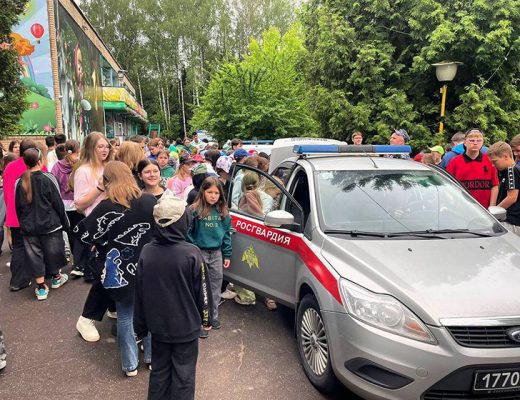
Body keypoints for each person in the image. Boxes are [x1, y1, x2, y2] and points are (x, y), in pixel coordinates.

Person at [75, 161, 156, 376]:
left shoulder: (107, 206)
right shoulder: (149, 201)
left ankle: (130, 365)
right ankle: (152, 358)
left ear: (107, 181)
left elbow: (83, 234)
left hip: (118, 268)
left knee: (125, 315)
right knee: (149, 313)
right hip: (148, 266)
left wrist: (101, 241)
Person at [134, 192, 211, 399]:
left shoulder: (147, 252)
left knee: (159, 372)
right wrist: (207, 319)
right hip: (186, 326)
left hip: (158, 327)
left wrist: (139, 325)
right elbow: (203, 290)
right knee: (184, 375)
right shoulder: (192, 253)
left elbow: (139, 293)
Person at [15, 148, 69, 300]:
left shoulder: (20, 181)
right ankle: (56, 277)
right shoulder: (48, 178)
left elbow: (18, 206)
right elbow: (58, 202)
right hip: (50, 224)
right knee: (53, 252)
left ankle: (40, 287)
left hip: (29, 227)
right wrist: (65, 223)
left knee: (34, 256)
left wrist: (23, 224)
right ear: (40, 161)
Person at [188, 176, 231, 338]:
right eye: (209, 192)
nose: (213, 196)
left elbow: (226, 234)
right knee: (199, 287)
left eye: (216, 193)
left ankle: (213, 316)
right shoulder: (194, 210)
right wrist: (194, 249)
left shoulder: (223, 212)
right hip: (199, 252)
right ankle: (200, 321)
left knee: (215, 286)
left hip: (217, 253)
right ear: (203, 192)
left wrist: (227, 254)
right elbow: (188, 232)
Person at [71, 132, 110, 279]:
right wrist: (100, 188)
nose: (105, 150)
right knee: (98, 274)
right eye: (100, 147)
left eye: (107, 146)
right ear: (91, 148)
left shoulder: (109, 167)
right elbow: (79, 205)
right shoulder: (83, 171)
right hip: (96, 228)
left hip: (113, 223)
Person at [3, 139, 41, 291]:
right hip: (32, 216)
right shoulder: (37, 166)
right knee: (37, 246)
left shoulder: (10, 167)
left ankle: (17, 280)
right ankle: (41, 276)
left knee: (19, 247)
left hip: (14, 214)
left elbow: (6, 193)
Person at [447, 129, 499, 208]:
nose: (475, 143)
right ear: (465, 142)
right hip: (461, 208)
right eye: (472, 140)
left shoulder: (489, 161)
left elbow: (494, 186)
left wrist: (492, 207)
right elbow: (448, 186)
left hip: (484, 210)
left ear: (482, 142)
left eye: (479, 140)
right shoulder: (454, 162)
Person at [52, 140, 82, 260]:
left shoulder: (57, 166)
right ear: (78, 150)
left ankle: (72, 255)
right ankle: (79, 259)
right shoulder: (81, 165)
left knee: (69, 232)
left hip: (63, 204)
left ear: (65, 150)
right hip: (79, 202)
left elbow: (53, 185)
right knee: (80, 231)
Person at [487, 141, 520, 236]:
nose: (493, 165)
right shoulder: (512, 170)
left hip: (511, 222)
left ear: (505, 156)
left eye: (495, 161)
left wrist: (493, 213)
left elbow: (512, 197)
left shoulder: (512, 170)